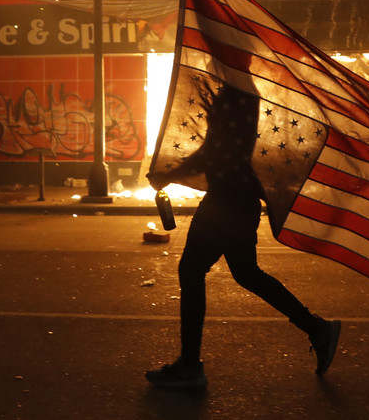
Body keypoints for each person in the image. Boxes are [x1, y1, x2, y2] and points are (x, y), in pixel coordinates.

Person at [144, 83, 341, 389]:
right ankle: (316, 328)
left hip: (227, 201)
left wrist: (169, 176)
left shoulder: (236, 92)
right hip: (239, 199)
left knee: (192, 270)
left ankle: (189, 366)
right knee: (246, 273)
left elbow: (213, 151)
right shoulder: (240, 90)